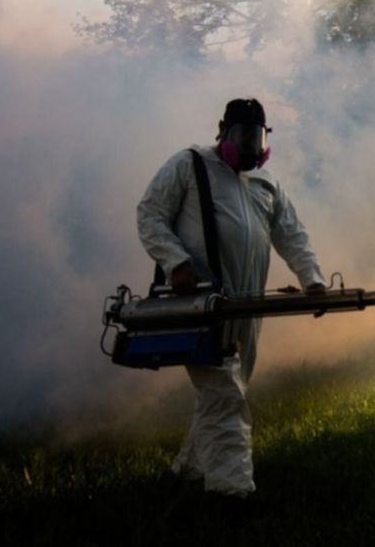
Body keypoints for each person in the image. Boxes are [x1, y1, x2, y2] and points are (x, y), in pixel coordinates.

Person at [136, 97, 325, 498]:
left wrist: (313, 281)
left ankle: (188, 472)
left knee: (225, 392)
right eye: (242, 135)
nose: (250, 145)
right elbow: (150, 214)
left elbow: (291, 234)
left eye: (256, 136)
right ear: (222, 130)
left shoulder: (267, 183)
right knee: (225, 394)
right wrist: (177, 263)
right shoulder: (189, 165)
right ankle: (231, 493)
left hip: (248, 309)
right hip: (202, 306)